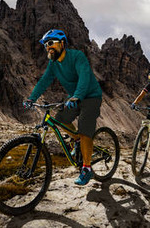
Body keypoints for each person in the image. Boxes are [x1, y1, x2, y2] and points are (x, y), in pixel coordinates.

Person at [23, 29, 103, 186]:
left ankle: (86, 168)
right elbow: (44, 81)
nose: (48, 47)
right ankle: (77, 141)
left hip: (91, 96)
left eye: (51, 43)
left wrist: (77, 96)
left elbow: (84, 77)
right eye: (46, 45)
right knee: (60, 118)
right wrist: (31, 98)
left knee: (85, 127)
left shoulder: (77, 56)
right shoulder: (53, 64)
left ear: (62, 43)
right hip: (75, 97)